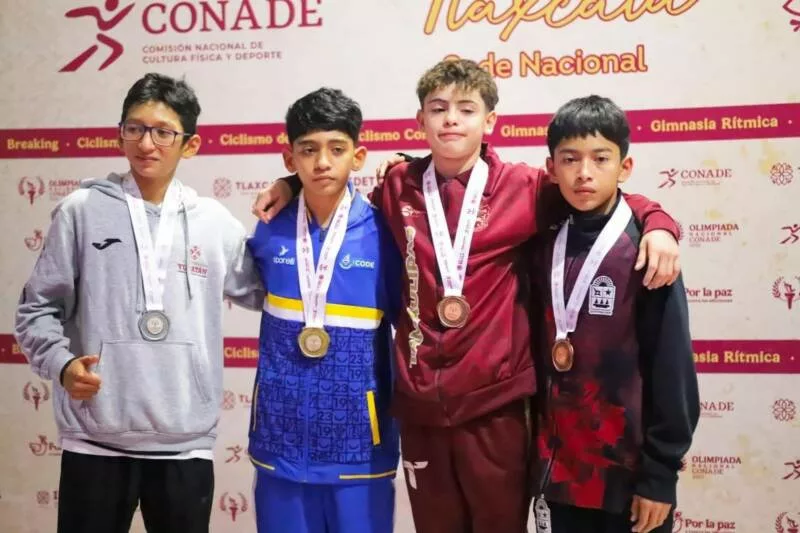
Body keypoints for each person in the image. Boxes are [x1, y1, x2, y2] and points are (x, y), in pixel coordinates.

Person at [252, 59, 682, 532]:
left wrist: (658, 220)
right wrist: (291, 183)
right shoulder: (397, 186)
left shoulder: (524, 187)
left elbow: (598, 194)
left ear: (490, 120)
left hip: (494, 407)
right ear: (420, 120)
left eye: (466, 109)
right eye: (438, 109)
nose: (451, 119)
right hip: (420, 409)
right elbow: (333, 190)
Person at [14, 72, 264, 533]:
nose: (147, 143)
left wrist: (293, 189)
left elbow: (271, 290)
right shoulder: (81, 210)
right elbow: (36, 309)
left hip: (184, 443)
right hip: (94, 439)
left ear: (190, 144)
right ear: (120, 134)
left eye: (163, 132)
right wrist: (63, 365)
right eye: (135, 128)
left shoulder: (214, 223)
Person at [529, 95, 699, 533]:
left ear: (624, 167)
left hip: (628, 479)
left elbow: (672, 369)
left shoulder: (646, 249)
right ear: (551, 168)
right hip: (559, 476)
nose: (584, 172)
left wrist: (660, 476)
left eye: (600, 158)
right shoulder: (542, 239)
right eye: (570, 159)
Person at [246, 87, 401, 533]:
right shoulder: (270, 226)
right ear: (289, 158)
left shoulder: (385, 231)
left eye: (337, 149)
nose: (322, 163)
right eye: (308, 150)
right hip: (280, 442)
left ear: (358, 156)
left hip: (360, 446)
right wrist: (288, 187)